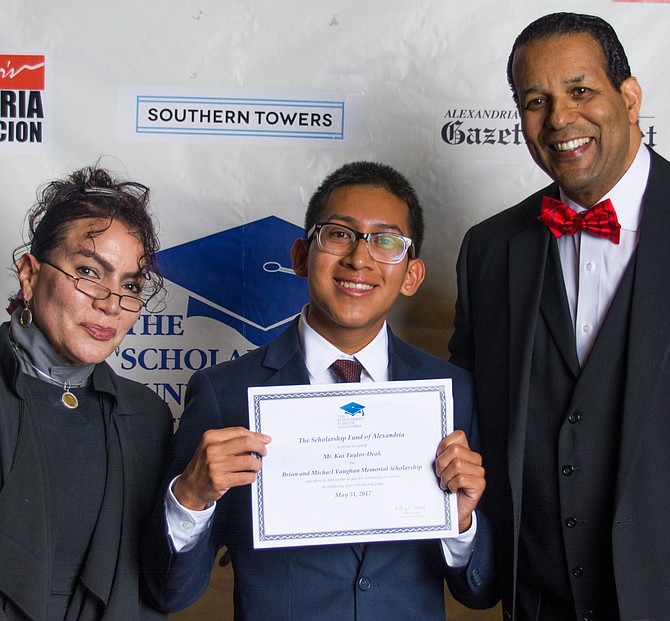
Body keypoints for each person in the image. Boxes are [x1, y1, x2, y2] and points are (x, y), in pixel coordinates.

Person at [141, 161, 498, 620]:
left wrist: (462, 522)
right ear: (300, 256)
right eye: (339, 234)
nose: (359, 258)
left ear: (411, 275)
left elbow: (480, 591)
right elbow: (168, 592)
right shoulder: (224, 393)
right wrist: (189, 497)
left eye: (387, 241)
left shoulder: (453, 393)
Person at [449, 11, 670, 620]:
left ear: (629, 96)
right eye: (536, 100)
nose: (560, 119)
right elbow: (469, 421)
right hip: (539, 600)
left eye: (581, 91)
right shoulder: (489, 251)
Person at [0, 165, 173, 620]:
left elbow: (161, 587)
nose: (111, 302)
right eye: (88, 272)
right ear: (30, 274)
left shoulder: (147, 418)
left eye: (130, 285)